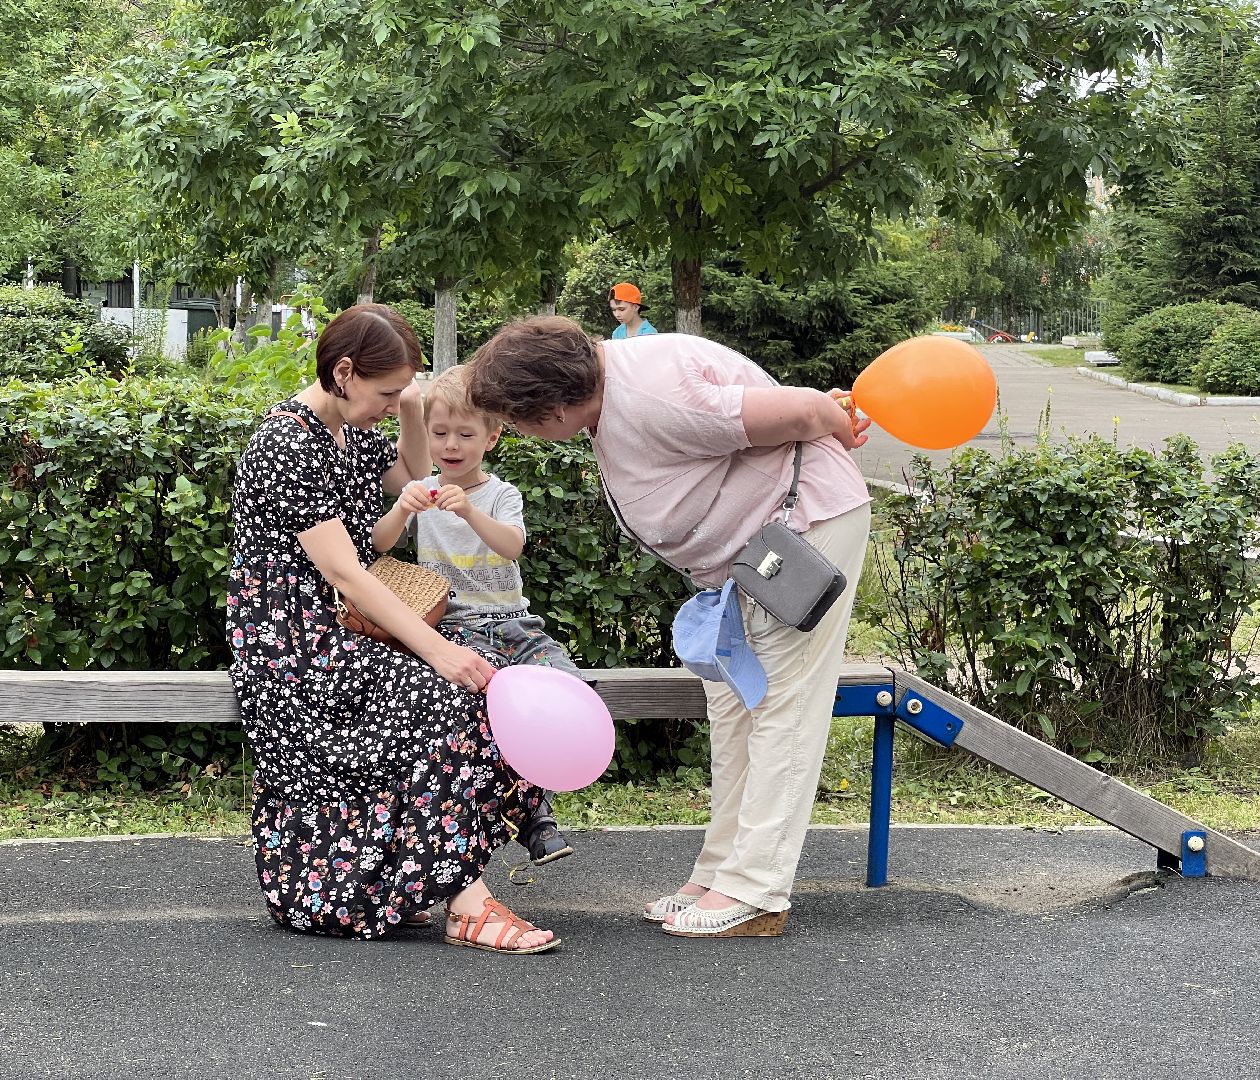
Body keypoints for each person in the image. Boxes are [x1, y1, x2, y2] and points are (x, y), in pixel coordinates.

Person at [467, 316, 871, 939]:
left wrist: (842, 420)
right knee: (735, 707)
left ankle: (758, 889)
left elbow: (805, 412)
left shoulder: (652, 391)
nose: (523, 433)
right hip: (748, 556)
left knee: (782, 706)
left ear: (549, 406)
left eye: (519, 420)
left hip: (798, 537)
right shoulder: (611, 389)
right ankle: (720, 873)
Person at [226, 302, 558, 953]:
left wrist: (409, 402)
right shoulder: (286, 445)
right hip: (292, 649)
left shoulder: (343, 431)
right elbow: (346, 574)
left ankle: (441, 889)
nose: (390, 404)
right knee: (454, 699)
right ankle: (468, 904)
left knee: (468, 702)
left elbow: (413, 477)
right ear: (343, 372)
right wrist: (440, 652)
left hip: (341, 638)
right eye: (384, 392)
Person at [371, 364, 580, 867]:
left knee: (566, 688)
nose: (451, 445)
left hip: (515, 623)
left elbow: (512, 547)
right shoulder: (422, 488)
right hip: (456, 629)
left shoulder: (501, 494)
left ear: (492, 437)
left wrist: (468, 512)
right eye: (439, 433)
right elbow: (377, 544)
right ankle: (534, 816)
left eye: (466, 434)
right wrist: (403, 508)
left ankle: (531, 798)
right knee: (490, 708)